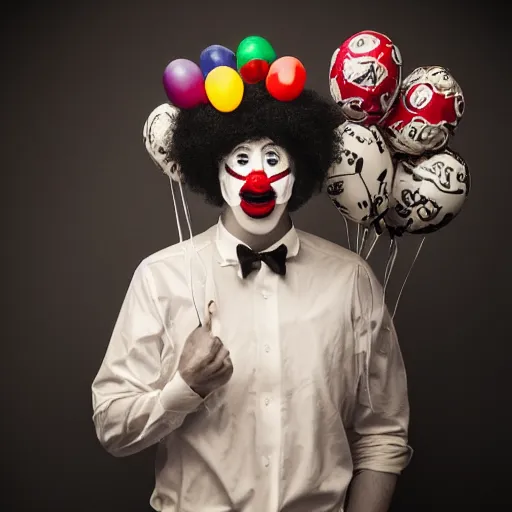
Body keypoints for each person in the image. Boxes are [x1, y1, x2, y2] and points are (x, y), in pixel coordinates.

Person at [92, 80, 412, 512]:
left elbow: (383, 434)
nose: (256, 176)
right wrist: (184, 388)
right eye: (241, 159)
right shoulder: (160, 277)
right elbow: (112, 426)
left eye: (272, 158)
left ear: (298, 168)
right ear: (215, 169)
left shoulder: (351, 280)